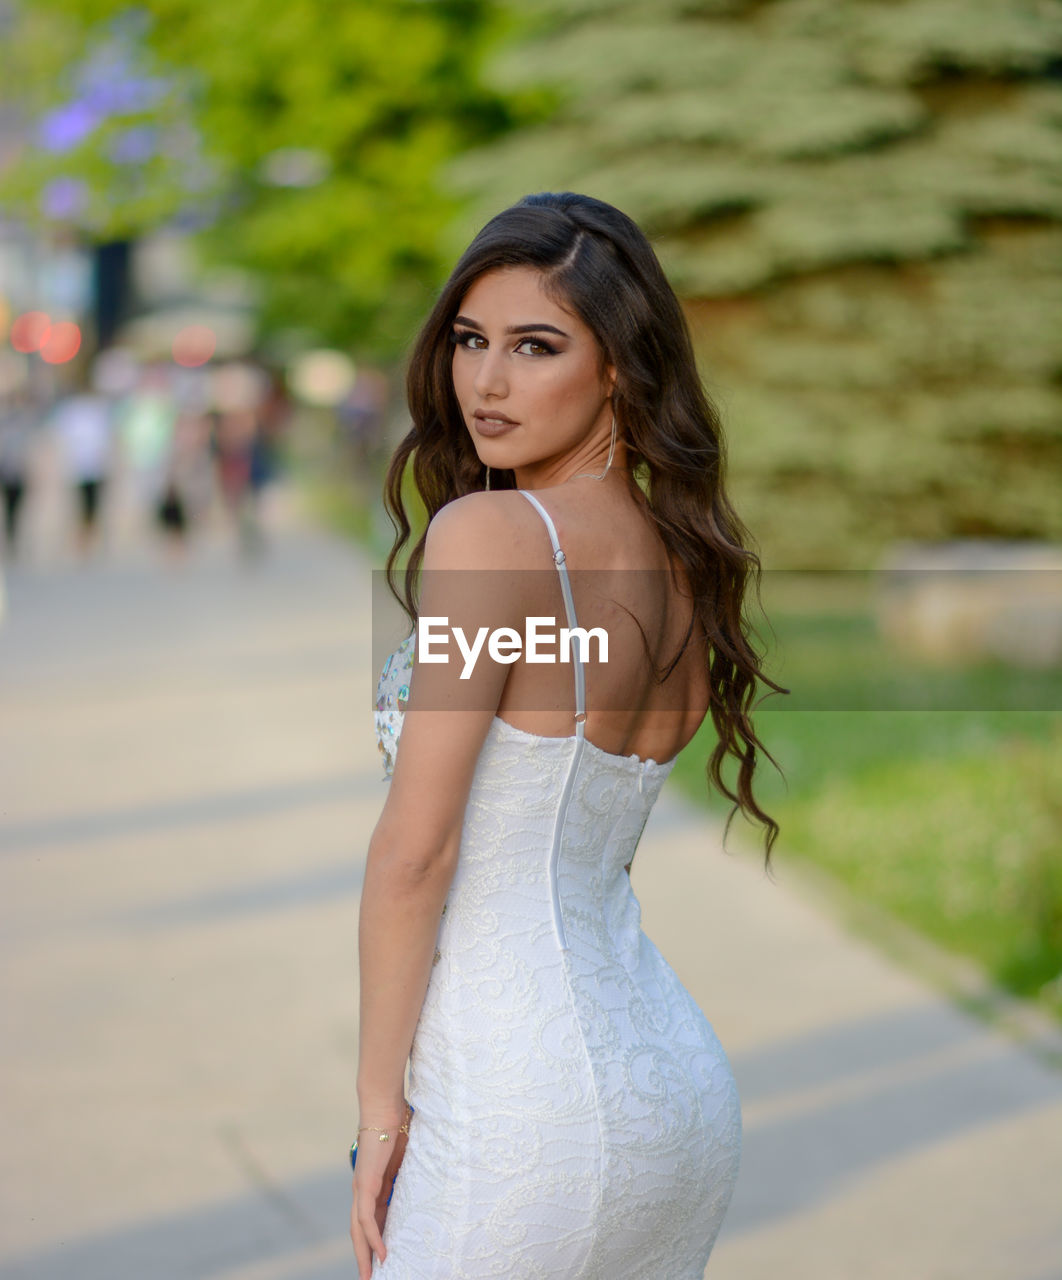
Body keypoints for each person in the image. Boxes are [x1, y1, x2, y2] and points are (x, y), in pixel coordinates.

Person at [352, 192, 787, 1279]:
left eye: (535, 346)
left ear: (618, 369)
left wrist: (378, 1113)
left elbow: (417, 852)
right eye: (469, 340)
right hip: (669, 1090)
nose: (486, 382)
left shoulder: (490, 535)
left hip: (516, 1105)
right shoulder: (686, 562)